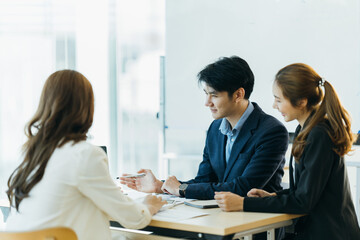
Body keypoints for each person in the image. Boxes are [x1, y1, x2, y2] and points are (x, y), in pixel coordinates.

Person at [5, 70, 166, 240]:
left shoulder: (34, 155)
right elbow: (134, 218)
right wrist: (148, 206)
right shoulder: (84, 154)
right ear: (87, 107)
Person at [214, 63, 360, 240]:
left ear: (301, 101)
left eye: (279, 99)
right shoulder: (305, 129)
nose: (274, 106)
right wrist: (272, 196)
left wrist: (244, 203)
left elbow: (303, 201)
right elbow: (303, 190)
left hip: (330, 233)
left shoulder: (319, 134)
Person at [121, 56, 289, 200]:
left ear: (238, 94)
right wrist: (160, 186)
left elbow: (243, 188)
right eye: (206, 94)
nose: (207, 103)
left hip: (256, 227)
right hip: (219, 218)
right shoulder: (215, 129)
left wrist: (181, 189)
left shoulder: (271, 131)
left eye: (214, 95)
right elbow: (204, 180)